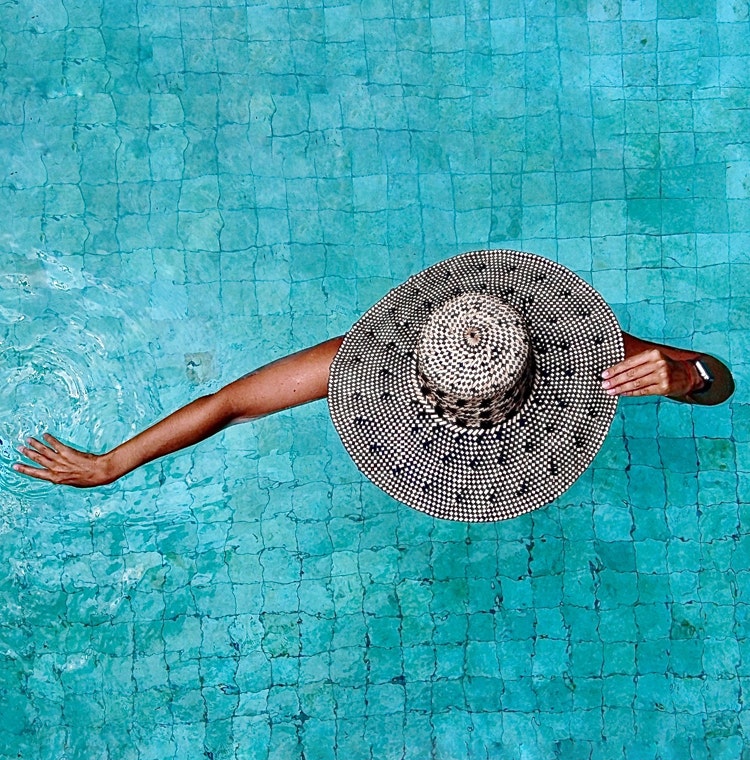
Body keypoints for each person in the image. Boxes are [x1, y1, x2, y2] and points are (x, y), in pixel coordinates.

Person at [13, 250, 734, 521]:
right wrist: (113, 462)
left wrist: (685, 377)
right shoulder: (381, 359)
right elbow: (228, 405)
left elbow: (720, 381)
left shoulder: (581, 356)